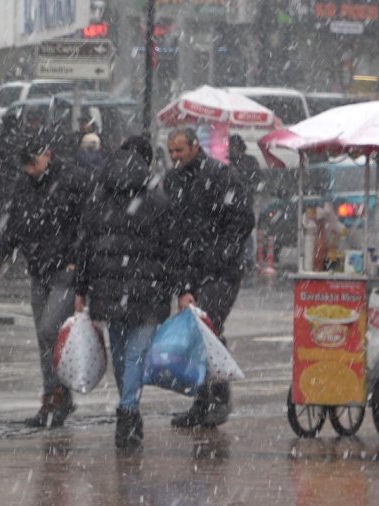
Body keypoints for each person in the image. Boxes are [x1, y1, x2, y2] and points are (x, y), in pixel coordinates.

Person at [0, 137, 88, 428]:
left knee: (50, 328)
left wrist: (76, 260)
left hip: (65, 269)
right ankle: (54, 396)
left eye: (33, 163)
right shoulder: (24, 185)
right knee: (44, 336)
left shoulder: (72, 180)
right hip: (40, 269)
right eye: (25, 164)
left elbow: (87, 224)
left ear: (48, 155)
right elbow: (13, 226)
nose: (29, 170)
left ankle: (58, 394)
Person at [74, 145, 175, 447]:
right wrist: (176, 287)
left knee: (121, 353)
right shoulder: (157, 203)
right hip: (147, 293)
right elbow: (170, 250)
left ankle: (128, 409)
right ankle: (128, 411)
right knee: (136, 354)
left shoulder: (96, 203)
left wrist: (81, 289)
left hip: (108, 293)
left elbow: (84, 249)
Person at [164, 127, 255, 428]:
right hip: (193, 269)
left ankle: (218, 397)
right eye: (171, 152)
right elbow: (174, 232)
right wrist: (183, 284)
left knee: (209, 328)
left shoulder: (220, 175)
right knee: (198, 332)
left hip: (220, 271)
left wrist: (221, 255)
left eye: (179, 151)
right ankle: (203, 400)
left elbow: (241, 220)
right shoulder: (173, 181)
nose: (175, 158)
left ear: (194, 146)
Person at [228, 134, 263, 274]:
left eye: (235, 147)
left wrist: (248, 187)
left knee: (246, 231)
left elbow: (258, 179)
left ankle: (248, 259)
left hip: (245, 202)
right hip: (231, 204)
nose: (233, 150)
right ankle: (238, 258)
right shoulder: (228, 164)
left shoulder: (249, 162)